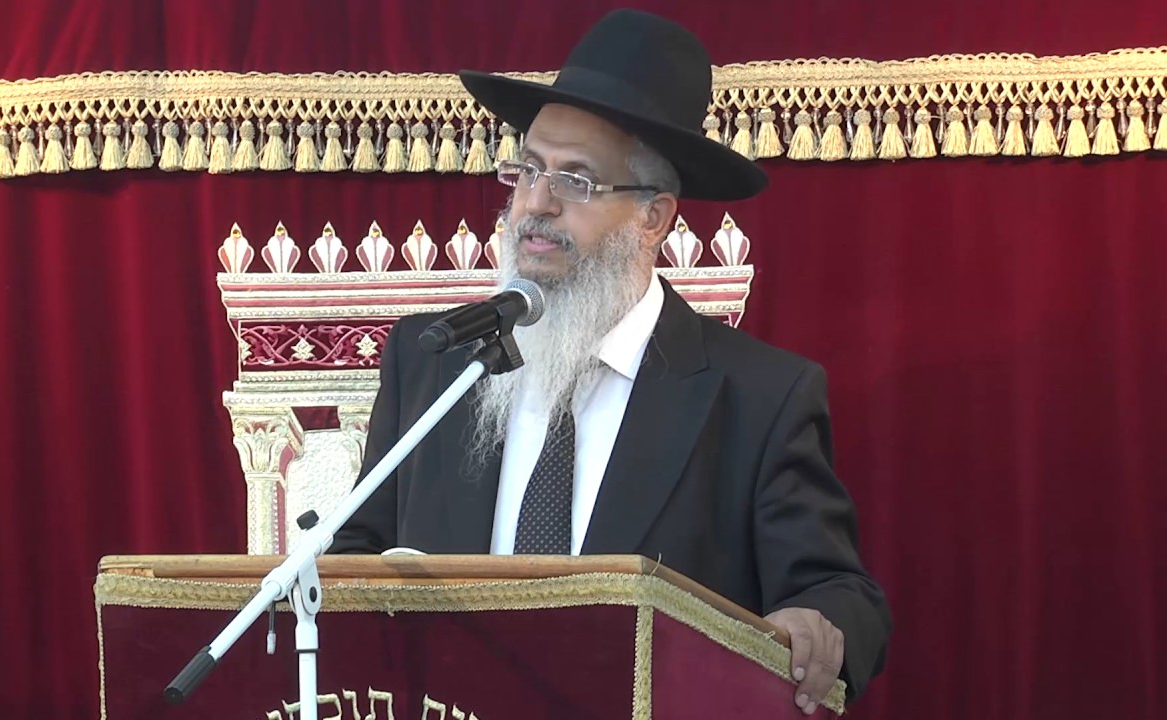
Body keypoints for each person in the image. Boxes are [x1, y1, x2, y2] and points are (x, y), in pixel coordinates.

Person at [329, 8, 891, 713]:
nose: (536, 203)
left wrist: (815, 623)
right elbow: (355, 554)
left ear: (653, 218)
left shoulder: (760, 397)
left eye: (576, 181)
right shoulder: (436, 361)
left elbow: (839, 595)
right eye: (528, 169)